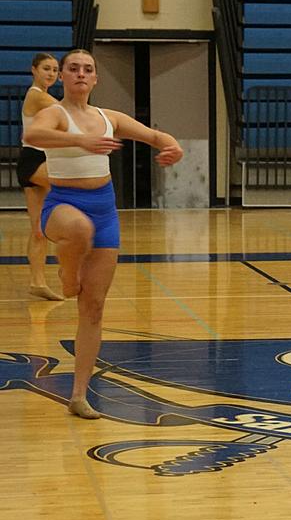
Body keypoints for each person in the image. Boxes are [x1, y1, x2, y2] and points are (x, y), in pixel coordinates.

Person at [24, 49, 183, 419]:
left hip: (104, 206)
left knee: (93, 307)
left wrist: (171, 146)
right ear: (62, 76)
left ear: (96, 79)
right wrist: (79, 141)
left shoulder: (108, 117)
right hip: (62, 204)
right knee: (79, 228)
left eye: (88, 69)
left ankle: (79, 395)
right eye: (73, 68)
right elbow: (34, 132)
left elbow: (156, 135)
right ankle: (66, 271)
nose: (81, 74)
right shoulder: (54, 113)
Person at [16, 53, 63, 300]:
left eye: (55, 70)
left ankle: (37, 282)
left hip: (39, 160)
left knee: (38, 229)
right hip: (34, 160)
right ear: (34, 70)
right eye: (46, 68)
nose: (51, 74)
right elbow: (65, 110)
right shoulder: (37, 95)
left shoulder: (43, 97)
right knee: (73, 186)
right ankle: (69, 261)